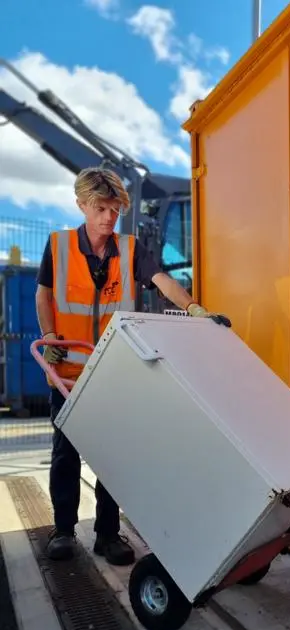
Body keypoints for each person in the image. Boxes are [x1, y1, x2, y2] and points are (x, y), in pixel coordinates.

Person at [36, 167, 231, 565]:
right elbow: (44, 295)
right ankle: (63, 531)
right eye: (100, 208)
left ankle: (108, 534)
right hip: (68, 376)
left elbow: (161, 279)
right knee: (65, 456)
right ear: (81, 206)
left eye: (114, 208)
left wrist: (194, 309)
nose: (109, 217)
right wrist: (51, 335)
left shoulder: (130, 249)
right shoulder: (57, 246)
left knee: (114, 457)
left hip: (113, 373)